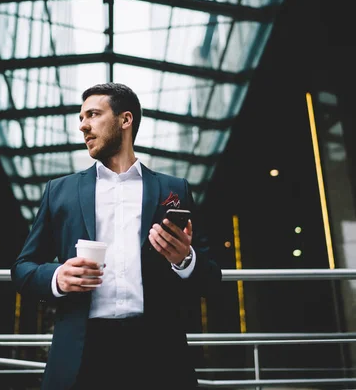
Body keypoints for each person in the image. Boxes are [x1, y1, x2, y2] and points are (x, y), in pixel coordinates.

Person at [11, 82, 222, 390]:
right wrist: (57, 278)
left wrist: (184, 260)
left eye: (93, 115)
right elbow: (22, 269)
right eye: (81, 118)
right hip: (81, 352)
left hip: (158, 352)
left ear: (126, 120)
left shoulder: (174, 189)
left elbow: (212, 279)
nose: (83, 126)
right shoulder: (60, 191)